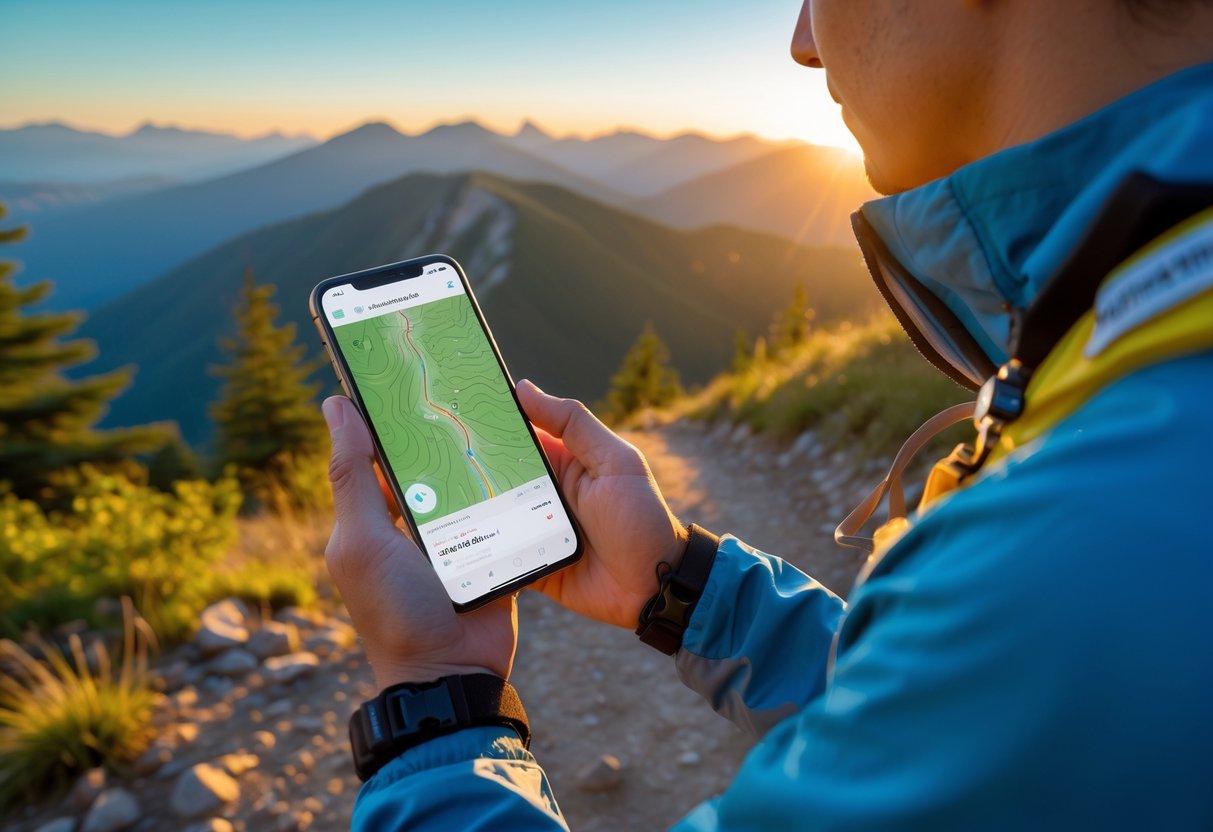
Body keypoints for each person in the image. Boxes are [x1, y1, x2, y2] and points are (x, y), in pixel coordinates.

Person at [323, 1, 1213, 828]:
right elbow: (965, 722)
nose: (802, 39)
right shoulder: (1145, 384)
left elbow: (1006, 657)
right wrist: (678, 585)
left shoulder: (1080, 537)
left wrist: (434, 699)